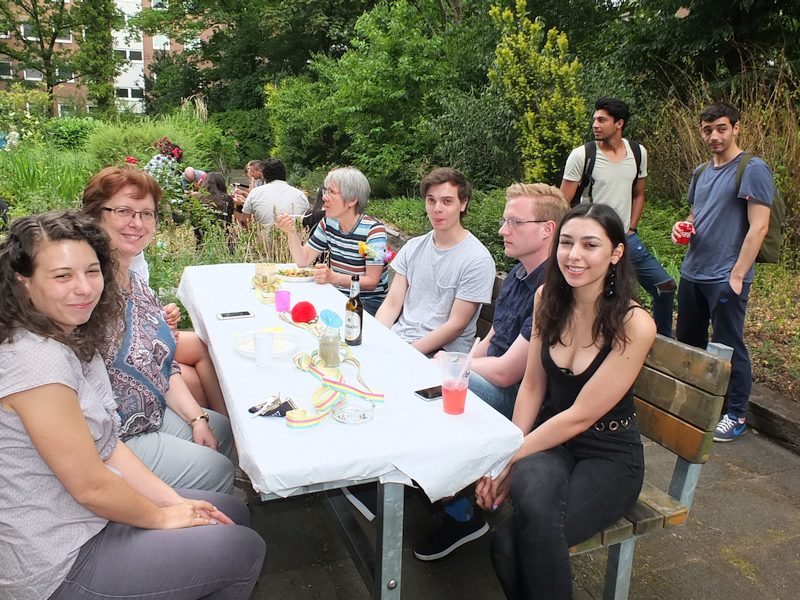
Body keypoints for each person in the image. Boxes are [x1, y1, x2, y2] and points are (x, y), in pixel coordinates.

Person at [0, 210, 265, 600]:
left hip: (89, 517)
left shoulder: (72, 336)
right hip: (59, 559)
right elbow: (90, 486)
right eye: (62, 276)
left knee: (228, 512)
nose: (84, 288)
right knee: (243, 548)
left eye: (92, 271)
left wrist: (175, 503)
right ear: (23, 282)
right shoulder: (35, 362)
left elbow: (108, 445)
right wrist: (161, 516)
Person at [476, 203, 656, 598]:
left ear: (616, 253)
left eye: (590, 245)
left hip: (609, 455)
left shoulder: (634, 323)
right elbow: (532, 386)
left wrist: (505, 460)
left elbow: (580, 416)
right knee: (510, 536)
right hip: (553, 442)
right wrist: (511, 453)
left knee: (507, 545)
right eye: (567, 242)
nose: (574, 255)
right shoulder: (547, 298)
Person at [412, 184, 571, 563]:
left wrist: (451, 368)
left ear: (547, 229)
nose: (502, 230)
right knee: (433, 387)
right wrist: (459, 363)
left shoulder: (553, 288)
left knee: (434, 390)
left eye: (514, 222)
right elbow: (492, 339)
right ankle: (433, 491)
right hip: (500, 383)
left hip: (527, 403)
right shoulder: (519, 274)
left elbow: (507, 372)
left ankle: (459, 513)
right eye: (504, 221)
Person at [82, 166, 237, 493]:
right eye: (124, 211)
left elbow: (161, 363)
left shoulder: (136, 282)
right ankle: (200, 512)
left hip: (150, 411)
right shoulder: (88, 289)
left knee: (221, 428)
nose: (137, 223)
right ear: (95, 216)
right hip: (113, 436)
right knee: (218, 469)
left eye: (146, 214)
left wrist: (197, 419)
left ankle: (208, 498)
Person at [672, 102, 775, 442]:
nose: (714, 136)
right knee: (689, 340)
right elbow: (696, 214)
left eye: (721, 128)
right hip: (694, 271)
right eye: (707, 130)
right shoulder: (701, 171)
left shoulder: (752, 169)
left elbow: (759, 226)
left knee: (728, 345)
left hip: (725, 275)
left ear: (735, 128)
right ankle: (701, 404)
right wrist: (682, 228)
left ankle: (736, 414)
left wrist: (737, 274)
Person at [561, 97, 676, 337]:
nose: (595, 125)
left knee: (665, 287)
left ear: (619, 123)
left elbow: (639, 193)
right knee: (608, 296)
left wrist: (632, 227)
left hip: (626, 237)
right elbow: (563, 202)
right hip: (593, 240)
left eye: (602, 120)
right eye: (594, 119)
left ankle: (662, 341)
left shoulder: (637, 152)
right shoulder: (582, 155)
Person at [376, 167, 495, 354]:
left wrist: (405, 354)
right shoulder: (413, 247)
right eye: (431, 200)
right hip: (400, 339)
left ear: (463, 203)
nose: (437, 208)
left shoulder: (477, 260)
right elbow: (392, 304)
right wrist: (376, 337)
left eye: (447, 201)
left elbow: (455, 326)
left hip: (441, 354)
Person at [275, 166, 389, 315]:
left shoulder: (374, 231)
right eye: (325, 191)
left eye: (331, 192)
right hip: (338, 294)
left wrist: (335, 278)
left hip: (367, 302)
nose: (324, 198)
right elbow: (303, 260)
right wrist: (291, 232)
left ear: (352, 200)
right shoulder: (329, 223)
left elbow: (372, 281)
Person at [241, 158, 310, 227]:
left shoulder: (255, 193)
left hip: (263, 233)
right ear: (285, 174)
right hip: (295, 233)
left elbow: (244, 221)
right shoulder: (300, 195)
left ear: (264, 175)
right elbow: (308, 220)